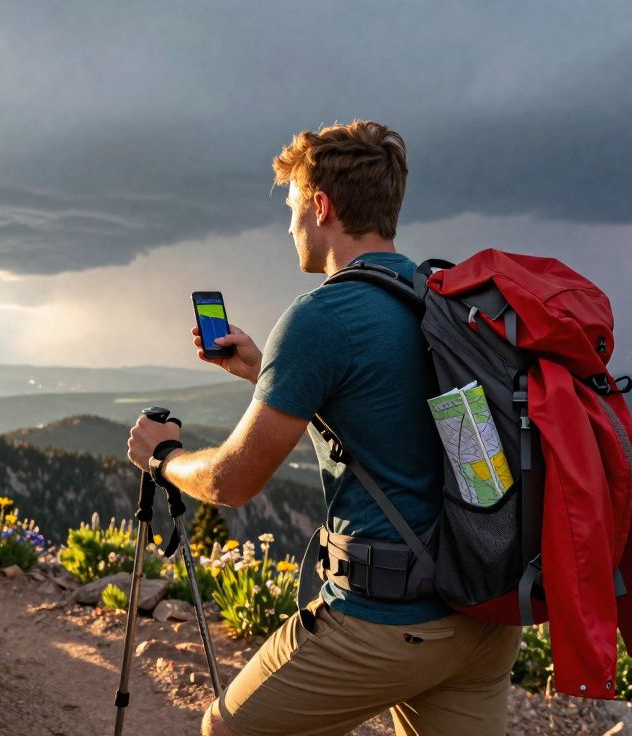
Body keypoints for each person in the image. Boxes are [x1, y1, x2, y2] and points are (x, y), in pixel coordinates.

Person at [127, 120, 522, 736]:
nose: (289, 228)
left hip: (385, 622)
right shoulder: (438, 298)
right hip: (483, 620)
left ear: (321, 206)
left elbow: (234, 483)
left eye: (291, 209)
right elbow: (386, 407)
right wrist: (266, 373)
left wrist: (164, 457)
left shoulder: (323, 315)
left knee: (226, 731)